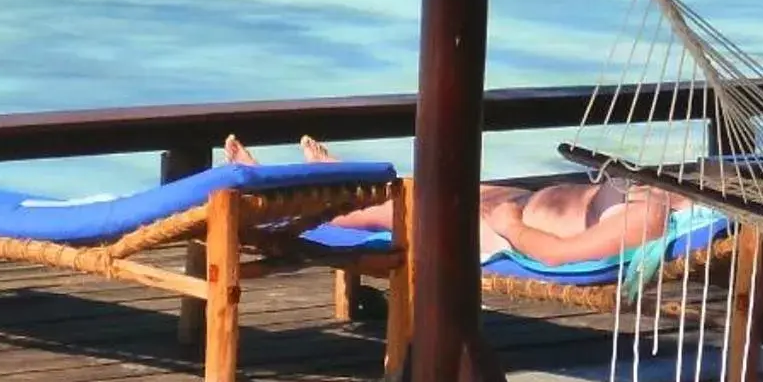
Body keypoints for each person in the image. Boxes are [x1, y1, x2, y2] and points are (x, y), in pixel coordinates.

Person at [222, 134, 684, 266]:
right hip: (523, 203)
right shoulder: (658, 194)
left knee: (388, 210)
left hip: (502, 228)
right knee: (423, 185)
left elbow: (560, 255)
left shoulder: (645, 221)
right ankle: (312, 179)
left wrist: (512, 228)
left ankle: (266, 204)